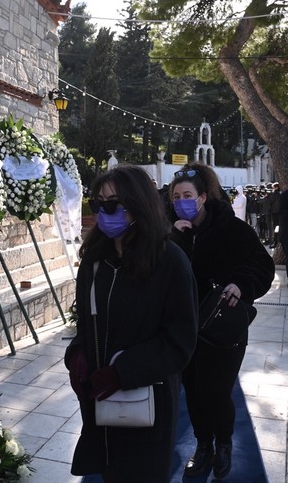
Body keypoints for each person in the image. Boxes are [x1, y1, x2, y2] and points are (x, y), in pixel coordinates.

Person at [65, 165, 198, 483]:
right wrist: (78, 354)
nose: (104, 212)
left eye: (113, 204)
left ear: (138, 205)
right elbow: (86, 320)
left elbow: (180, 341)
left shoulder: (170, 261)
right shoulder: (94, 261)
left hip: (147, 404)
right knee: (111, 471)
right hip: (101, 402)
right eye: (98, 204)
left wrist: (122, 371)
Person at [169, 163, 274, 479]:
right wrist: (174, 238)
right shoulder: (170, 230)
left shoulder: (231, 229)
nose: (182, 202)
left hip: (223, 327)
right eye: (176, 196)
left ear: (203, 197)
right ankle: (203, 445)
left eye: (188, 195)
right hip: (185, 328)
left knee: (216, 391)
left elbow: (262, 265)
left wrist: (241, 284)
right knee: (193, 391)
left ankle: (224, 442)